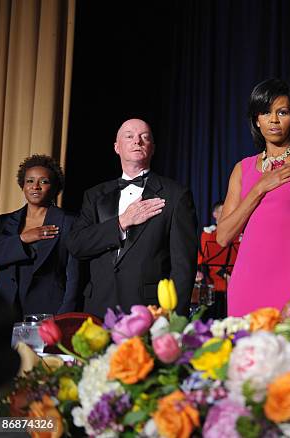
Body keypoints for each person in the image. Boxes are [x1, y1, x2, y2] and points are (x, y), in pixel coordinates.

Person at [218, 79, 290, 316]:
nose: (273, 120)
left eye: (282, 112)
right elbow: (223, 237)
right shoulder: (243, 168)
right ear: (256, 120)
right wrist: (259, 188)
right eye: (265, 112)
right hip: (246, 282)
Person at [67, 119, 198, 318]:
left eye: (144, 137)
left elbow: (183, 268)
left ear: (152, 148)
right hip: (97, 308)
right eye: (129, 136)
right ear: (116, 147)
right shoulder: (93, 195)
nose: (137, 141)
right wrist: (121, 222)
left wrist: (174, 320)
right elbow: (77, 245)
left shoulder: (176, 195)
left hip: (149, 312)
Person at [0, 155, 80, 319]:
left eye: (44, 181)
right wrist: (22, 239)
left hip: (48, 313)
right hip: (3, 312)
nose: (36, 187)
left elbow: (74, 276)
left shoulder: (70, 221)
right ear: (22, 185)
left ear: (55, 188)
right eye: (30, 181)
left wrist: (64, 317)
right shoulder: (1, 222)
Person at [196, 200, 241, 318]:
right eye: (222, 211)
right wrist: (226, 275)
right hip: (216, 283)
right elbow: (209, 259)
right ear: (215, 214)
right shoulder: (209, 233)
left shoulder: (237, 234)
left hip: (235, 280)